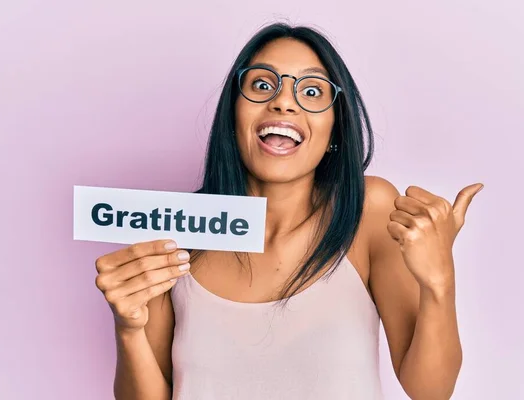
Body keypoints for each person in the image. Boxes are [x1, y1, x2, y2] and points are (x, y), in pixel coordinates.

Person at [94, 22, 483, 400]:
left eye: (312, 91)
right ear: (233, 115)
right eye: (262, 85)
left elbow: (431, 391)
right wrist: (128, 328)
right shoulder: (177, 230)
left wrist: (439, 282)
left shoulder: (368, 210)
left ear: (335, 129)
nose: (283, 101)